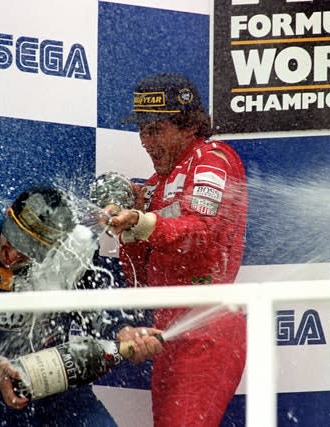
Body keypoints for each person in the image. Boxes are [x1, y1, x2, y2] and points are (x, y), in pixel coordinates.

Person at [0, 184, 163, 427]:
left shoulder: (71, 254)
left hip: (59, 385)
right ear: (7, 214)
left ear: (54, 249)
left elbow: (93, 307)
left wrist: (122, 331)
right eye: (11, 239)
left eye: (28, 251)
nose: (11, 256)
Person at [104, 73, 249, 426]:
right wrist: (126, 229)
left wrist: (141, 220)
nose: (145, 141)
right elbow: (136, 277)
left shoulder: (213, 159)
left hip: (207, 331)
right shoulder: (154, 185)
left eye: (156, 130)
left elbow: (204, 235)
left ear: (188, 127)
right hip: (166, 334)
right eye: (142, 130)